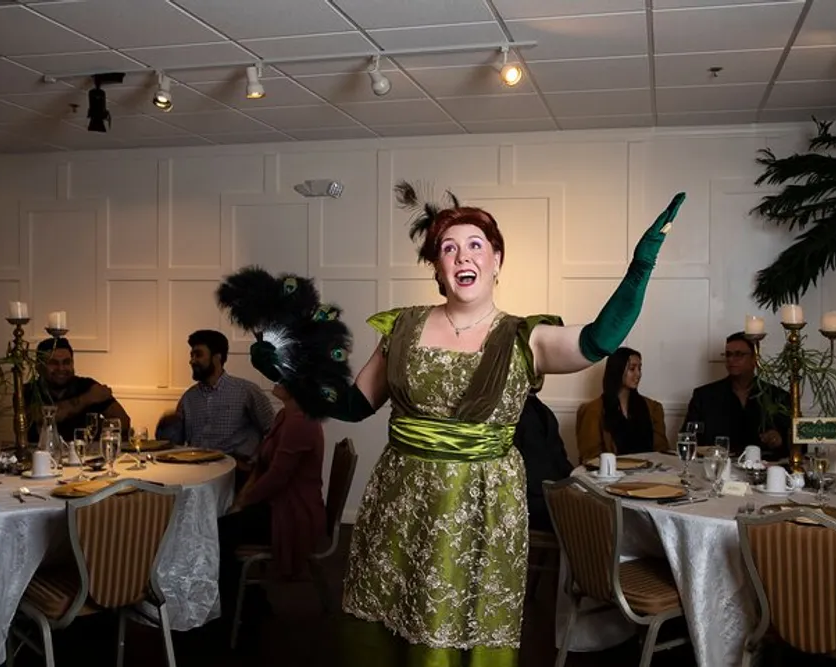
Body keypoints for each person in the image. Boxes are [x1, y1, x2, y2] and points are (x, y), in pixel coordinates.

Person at [224, 183, 686, 666]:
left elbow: (600, 339)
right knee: (387, 609)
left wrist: (641, 266)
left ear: (496, 260)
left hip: (482, 505)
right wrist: (290, 373)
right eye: (449, 248)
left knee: (463, 619)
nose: (462, 256)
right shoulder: (402, 327)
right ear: (438, 269)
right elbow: (356, 403)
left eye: (475, 245)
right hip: (400, 499)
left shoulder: (528, 337)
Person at [217, 381, 326, 619]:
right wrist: (243, 496)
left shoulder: (300, 422)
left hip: (292, 514)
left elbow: (277, 477)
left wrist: (242, 503)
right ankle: (239, 599)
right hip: (279, 504)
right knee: (222, 522)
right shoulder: (284, 416)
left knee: (219, 532)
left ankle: (235, 607)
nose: (276, 379)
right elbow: (262, 466)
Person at [155, 330, 274, 487]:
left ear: (217, 358)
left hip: (236, 476)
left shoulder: (247, 391)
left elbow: (273, 432)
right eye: (191, 355)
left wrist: (253, 464)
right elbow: (173, 443)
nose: (192, 361)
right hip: (195, 476)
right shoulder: (189, 398)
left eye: (198, 355)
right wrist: (168, 425)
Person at [684, 331, 792, 459]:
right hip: (716, 468)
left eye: (739, 354)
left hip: (763, 470)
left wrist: (779, 440)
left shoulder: (777, 396)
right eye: (728, 355)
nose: (731, 360)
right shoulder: (704, 396)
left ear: (755, 358)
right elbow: (687, 439)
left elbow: (798, 444)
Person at [26, 337, 131, 443]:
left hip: (86, 456)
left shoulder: (87, 385)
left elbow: (124, 422)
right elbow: (42, 416)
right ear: (38, 367)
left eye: (66, 362)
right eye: (53, 363)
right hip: (41, 457)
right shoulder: (28, 391)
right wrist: (86, 399)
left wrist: (100, 432)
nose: (61, 368)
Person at [575, 346, 668, 463]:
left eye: (640, 368)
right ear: (617, 370)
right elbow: (590, 456)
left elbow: (661, 451)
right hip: (611, 477)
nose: (638, 374)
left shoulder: (653, 408)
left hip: (649, 475)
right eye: (632, 369)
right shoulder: (593, 410)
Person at [513, 388, 573, 533]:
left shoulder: (543, 410)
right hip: (531, 500)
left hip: (554, 492)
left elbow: (560, 457)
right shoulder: (511, 413)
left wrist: (577, 481)